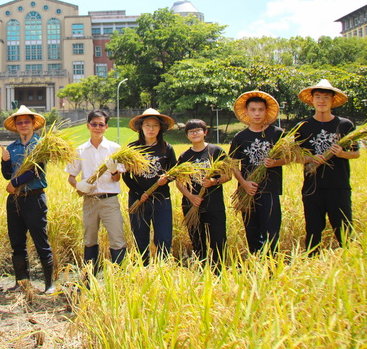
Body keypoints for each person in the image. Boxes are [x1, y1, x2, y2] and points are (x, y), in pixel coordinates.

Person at [295, 79, 360, 255]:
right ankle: (311, 264)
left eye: (326, 97)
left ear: (332, 100)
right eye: (318, 97)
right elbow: (293, 156)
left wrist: (341, 154)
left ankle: (349, 262)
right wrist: (310, 158)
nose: (321, 101)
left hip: (339, 186)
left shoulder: (345, 125)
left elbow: (356, 153)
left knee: (344, 230)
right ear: (312, 100)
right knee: (313, 231)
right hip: (312, 187)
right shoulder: (303, 127)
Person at [1, 105, 55, 294]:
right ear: (15, 126)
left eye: (27, 122)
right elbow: (7, 175)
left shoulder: (41, 145)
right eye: (20, 122)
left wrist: (14, 183)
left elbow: (35, 171)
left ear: (33, 124)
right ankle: (21, 282)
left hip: (34, 198)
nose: (23, 125)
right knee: (17, 242)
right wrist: (5, 161)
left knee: (41, 240)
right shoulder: (12, 147)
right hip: (15, 200)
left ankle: (49, 283)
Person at [66, 110, 127, 273]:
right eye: (94, 124)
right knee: (90, 238)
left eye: (101, 124)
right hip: (90, 200)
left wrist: (114, 171)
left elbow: (117, 179)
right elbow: (71, 177)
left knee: (117, 238)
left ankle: (119, 277)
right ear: (88, 126)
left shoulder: (115, 148)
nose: (97, 127)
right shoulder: (80, 150)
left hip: (109, 200)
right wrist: (78, 186)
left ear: (106, 127)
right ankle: (90, 277)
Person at [229, 91, 286, 255]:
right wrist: (244, 183)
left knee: (271, 232)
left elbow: (290, 157)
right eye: (253, 109)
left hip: (270, 190)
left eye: (260, 109)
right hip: (247, 192)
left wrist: (276, 163)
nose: (257, 113)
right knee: (252, 233)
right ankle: (255, 264)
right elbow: (233, 165)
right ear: (246, 112)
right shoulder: (240, 137)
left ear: (266, 111)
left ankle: (272, 267)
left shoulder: (277, 134)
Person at [122, 109, 177, 264]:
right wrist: (139, 193)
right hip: (138, 200)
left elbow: (174, 171)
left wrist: (167, 179)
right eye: (147, 125)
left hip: (161, 200)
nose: (151, 129)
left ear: (160, 128)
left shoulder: (167, 148)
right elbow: (126, 175)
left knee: (163, 238)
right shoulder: (133, 148)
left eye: (154, 126)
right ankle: (143, 269)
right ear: (141, 127)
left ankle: (163, 269)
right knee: (140, 237)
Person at [176, 119, 231, 269]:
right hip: (191, 205)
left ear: (205, 132)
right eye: (190, 132)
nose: (194, 133)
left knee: (218, 239)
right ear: (187, 135)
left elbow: (228, 175)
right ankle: (201, 268)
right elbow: (179, 181)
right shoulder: (184, 156)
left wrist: (214, 181)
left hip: (214, 203)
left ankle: (218, 270)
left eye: (197, 130)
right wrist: (191, 197)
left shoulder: (216, 151)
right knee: (197, 240)